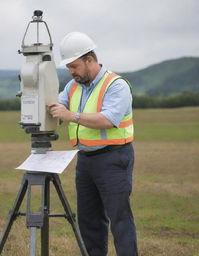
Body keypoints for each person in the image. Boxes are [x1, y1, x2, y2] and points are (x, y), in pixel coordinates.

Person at [48, 32, 138, 256]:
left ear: (89, 60)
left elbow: (108, 120)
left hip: (114, 158)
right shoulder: (72, 86)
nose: (71, 72)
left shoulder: (116, 85)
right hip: (85, 160)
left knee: (119, 219)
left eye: (74, 66)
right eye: (68, 67)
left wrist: (71, 116)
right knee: (89, 221)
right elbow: (57, 107)